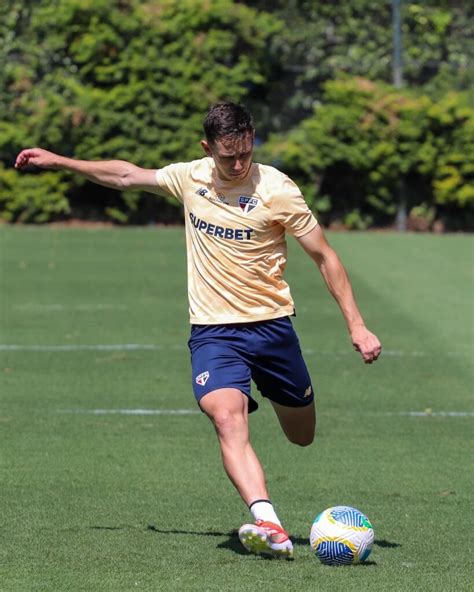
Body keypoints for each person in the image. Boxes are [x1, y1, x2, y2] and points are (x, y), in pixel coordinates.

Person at [15, 102, 381, 559]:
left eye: (245, 152)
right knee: (227, 417)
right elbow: (127, 176)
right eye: (228, 156)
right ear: (208, 148)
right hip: (213, 332)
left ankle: (277, 439)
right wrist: (61, 161)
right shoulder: (191, 177)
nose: (238, 163)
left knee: (301, 434)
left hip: (271, 329)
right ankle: (269, 523)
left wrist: (357, 325)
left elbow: (325, 256)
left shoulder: (278, 190)